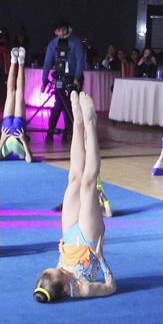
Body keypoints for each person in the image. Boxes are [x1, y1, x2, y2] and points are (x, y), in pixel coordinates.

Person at [35, 92, 116, 302]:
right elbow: (111, 287)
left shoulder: (52, 280)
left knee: (74, 178)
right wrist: (101, 259)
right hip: (89, 244)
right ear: (63, 286)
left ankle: (77, 121)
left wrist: (63, 260)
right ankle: (90, 123)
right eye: (59, 272)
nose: (59, 269)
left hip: (69, 237)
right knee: (89, 184)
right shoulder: (82, 289)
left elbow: (59, 267)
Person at [41, 21, 85, 140]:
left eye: (63, 30)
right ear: (55, 32)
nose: (61, 32)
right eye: (58, 30)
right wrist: (44, 80)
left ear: (67, 29)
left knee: (71, 105)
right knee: (59, 104)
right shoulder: (53, 43)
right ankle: (51, 131)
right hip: (60, 77)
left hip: (73, 78)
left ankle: (69, 132)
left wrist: (76, 78)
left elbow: (80, 61)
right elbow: (47, 63)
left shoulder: (75, 42)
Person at [0, 43, 32, 162]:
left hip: (6, 130)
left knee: (10, 92)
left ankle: (13, 61)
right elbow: (29, 160)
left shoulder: (4, 155)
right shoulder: (22, 154)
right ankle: (21, 62)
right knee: (19, 93)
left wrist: (2, 139)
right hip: (19, 131)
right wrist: (23, 139)